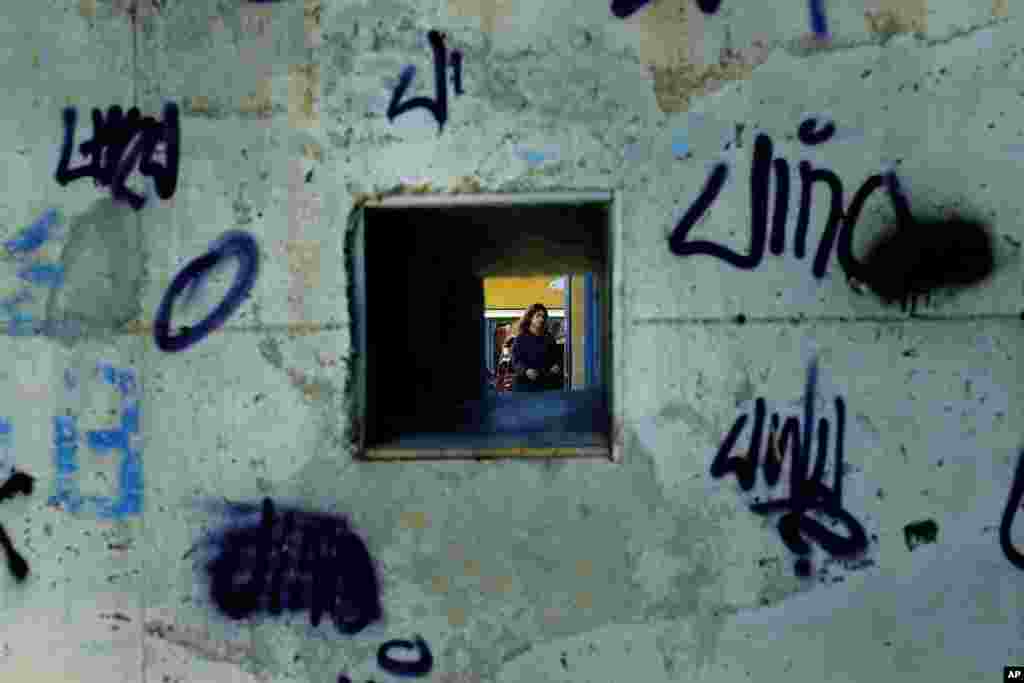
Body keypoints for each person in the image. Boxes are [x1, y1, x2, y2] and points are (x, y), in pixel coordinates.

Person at [510, 303, 563, 392]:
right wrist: (526, 371)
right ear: (530, 318)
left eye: (543, 316)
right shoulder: (520, 338)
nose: (541, 319)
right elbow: (515, 361)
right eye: (538, 316)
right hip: (525, 387)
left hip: (547, 386)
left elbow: (557, 357)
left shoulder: (549, 338)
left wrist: (556, 366)